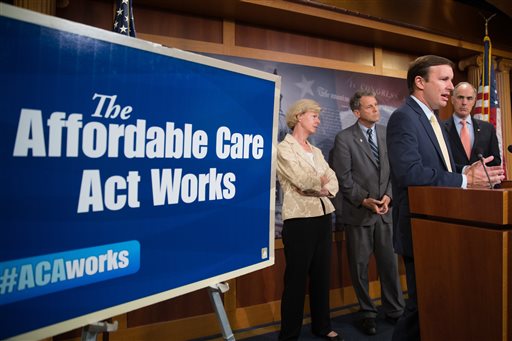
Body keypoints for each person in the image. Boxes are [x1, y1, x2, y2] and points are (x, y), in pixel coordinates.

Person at [386, 55, 505, 340]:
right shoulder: (404, 117)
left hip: (439, 226)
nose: (451, 87)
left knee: (435, 303)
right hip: (419, 226)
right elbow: (410, 173)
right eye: (444, 79)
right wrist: (465, 180)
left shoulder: (432, 119)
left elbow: (440, 169)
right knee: (419, 306)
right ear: (419, 82)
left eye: (451, 80)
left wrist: (466, 169)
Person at [331, 91, 405, 336]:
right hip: (359, 213)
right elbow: (344, 178)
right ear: (356, 112)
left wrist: (389, 196)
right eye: (370, 106)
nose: (376, 109)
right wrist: (364, 200)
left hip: (385, 211)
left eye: (376, 105)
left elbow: (396, 170)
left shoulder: (386, 133)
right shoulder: (344, 138)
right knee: (360, 267)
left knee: (389, 265)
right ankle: (367, 312)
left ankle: (395, 310)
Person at [276, 99, 342, 341]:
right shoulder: (283, 149)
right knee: (295, 280)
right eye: (314, 116)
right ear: (299, 116)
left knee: (321, 275)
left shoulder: (316, 151)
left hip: (323, 217)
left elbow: (332, 180)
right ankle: (289, 335)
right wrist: (319, 182)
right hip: (299, 221)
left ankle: (322, 326)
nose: (318, 120)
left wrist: (321, 186)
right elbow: (302, 181)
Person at [443, 81, 501, 167]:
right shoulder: (441, 128)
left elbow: (495, 161)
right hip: (454, 179)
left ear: (474, 101)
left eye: (469, 98)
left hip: (482, 179)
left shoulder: (488, 129)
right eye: (460, 97)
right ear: (452, 100)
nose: (464, 103)